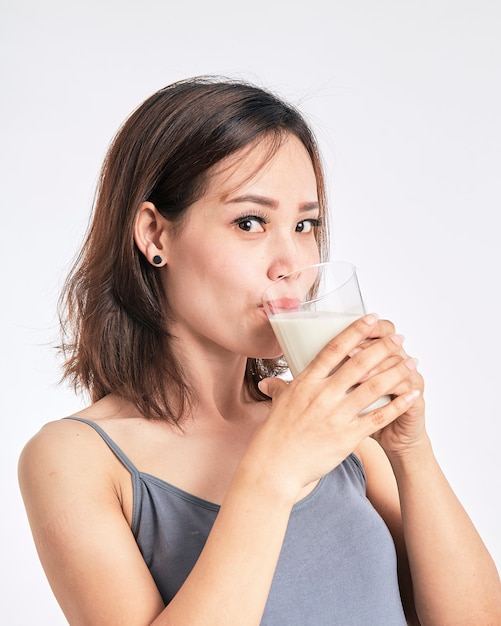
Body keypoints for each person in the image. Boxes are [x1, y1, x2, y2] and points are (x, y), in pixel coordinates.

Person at [18, 76, 501, 626]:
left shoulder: (332, 429)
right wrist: (275, 470)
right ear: (155, 235)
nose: (291, 261)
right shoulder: (75, 460)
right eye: (250, 222)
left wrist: (411, 452)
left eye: (305, 224)